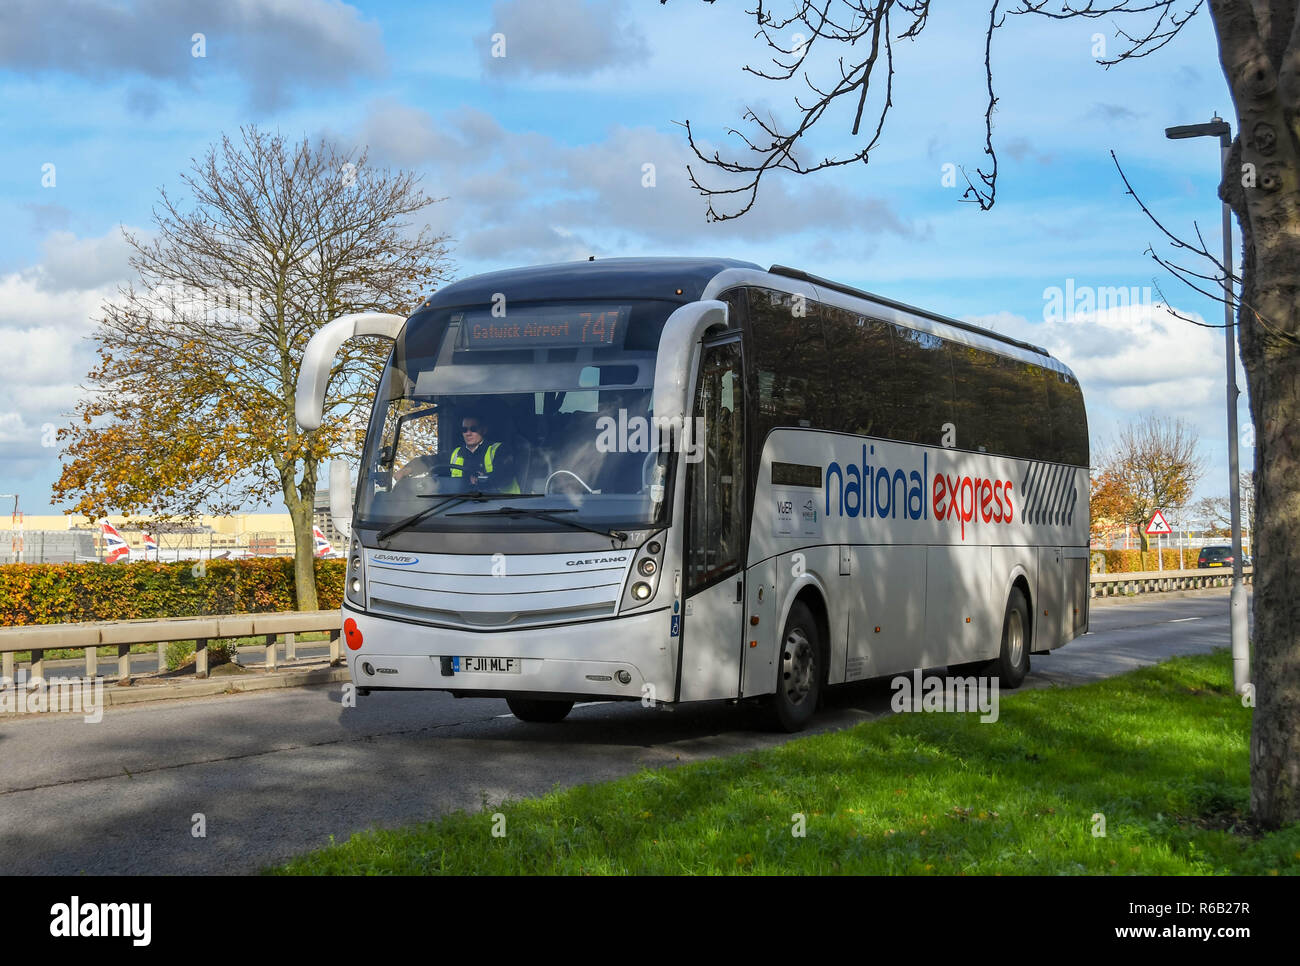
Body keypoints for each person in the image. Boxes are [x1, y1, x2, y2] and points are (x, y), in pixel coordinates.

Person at [449, 412, 519, 493]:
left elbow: (505, 477)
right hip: (459, 502)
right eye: (464, 430)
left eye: (473, 429)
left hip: (503, 502)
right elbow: (445, 480)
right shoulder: (456, 453)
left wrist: (482, 479)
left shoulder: (500, 449)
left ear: (484, 430)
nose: (468, 433)